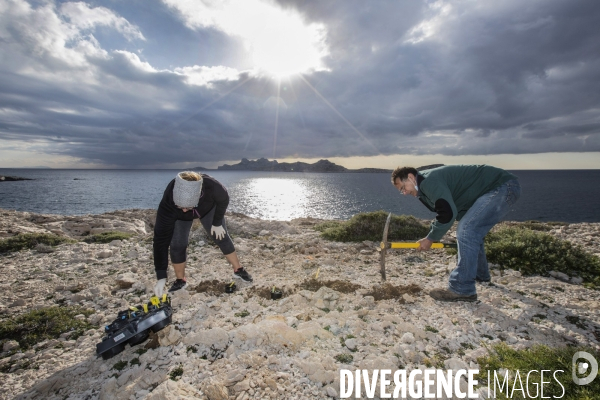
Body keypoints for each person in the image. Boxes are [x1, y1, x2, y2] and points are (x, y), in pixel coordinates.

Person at [391, 164, 520, 302]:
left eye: (403, 188)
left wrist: (430, 238)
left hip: (501, 187)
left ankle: (462, 289)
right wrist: (432, 234)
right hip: (502, 188)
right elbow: (448, 210)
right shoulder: (424, 188)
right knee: (471, 231)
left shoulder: (428, 182)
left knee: (466, 230)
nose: (404, 193)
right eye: (401, 191)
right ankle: (480, 274)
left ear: (410, 177)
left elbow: (447, 212)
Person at [153, 171, 253, 296]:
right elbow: (160, 240)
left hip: (207, 209)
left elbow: (224, 200)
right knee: (177, 244)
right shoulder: (168, 204)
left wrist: (217, 223)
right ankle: (180, 281)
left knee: (221, 236)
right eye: (180, 206)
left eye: (188, 207)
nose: (184, 210)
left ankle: (238, 270)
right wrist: (161, 276)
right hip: (178, 217)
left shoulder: (213, 187)